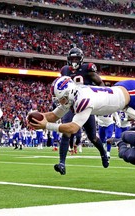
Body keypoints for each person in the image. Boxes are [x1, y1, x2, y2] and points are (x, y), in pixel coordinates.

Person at [29, 73, 135, 136]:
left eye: (62, 98)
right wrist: (35, 118)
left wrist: (46, 126)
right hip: (122, 100)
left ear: (69, 93)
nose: (61, 102)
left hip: (130, 91)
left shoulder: (83, 100)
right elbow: (53, 115)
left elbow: (72, 128)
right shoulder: (73, 96)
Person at [51, 46, 109, 175]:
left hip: (85, 104)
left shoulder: (87, 69)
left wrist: (100, 97)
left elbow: (100, 83)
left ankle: (103, 153)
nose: (74, 61)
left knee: (92, 137)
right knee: (66, 131)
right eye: (72, 59)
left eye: (76, 58)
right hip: (70, 105)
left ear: (81, 59)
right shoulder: (65, 70)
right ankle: (62, 163)